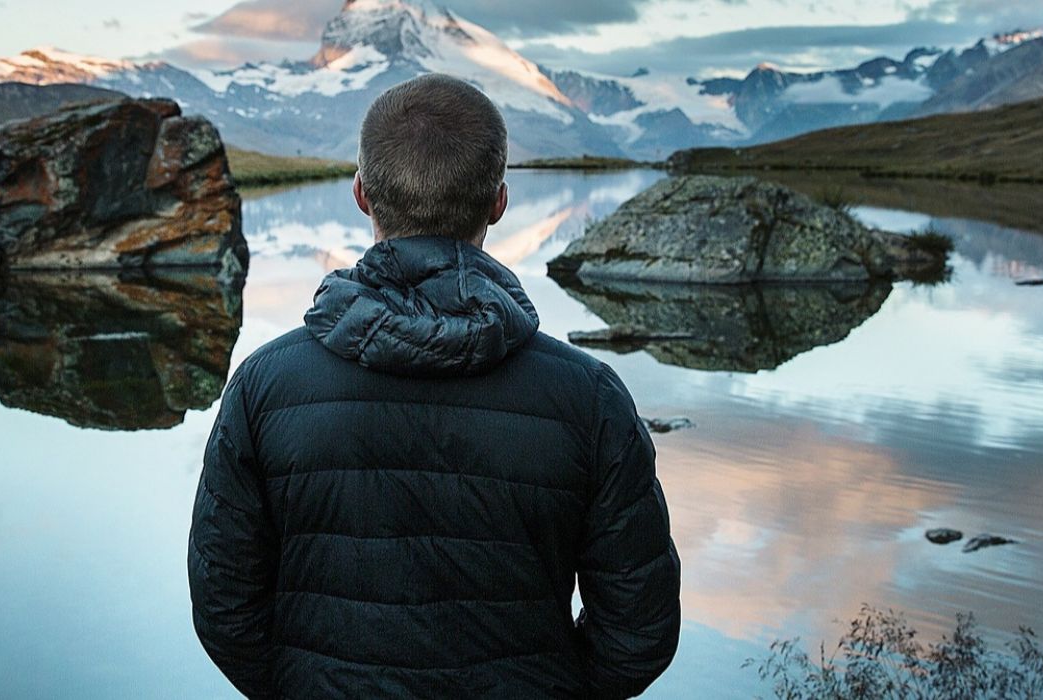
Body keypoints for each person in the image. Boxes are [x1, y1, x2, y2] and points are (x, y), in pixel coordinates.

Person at [187, 74, 681, 699]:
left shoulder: (264, 385)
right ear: (499, 202)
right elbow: (640, 628)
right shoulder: (590, 397)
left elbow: (224, 607)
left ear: (362, 193)